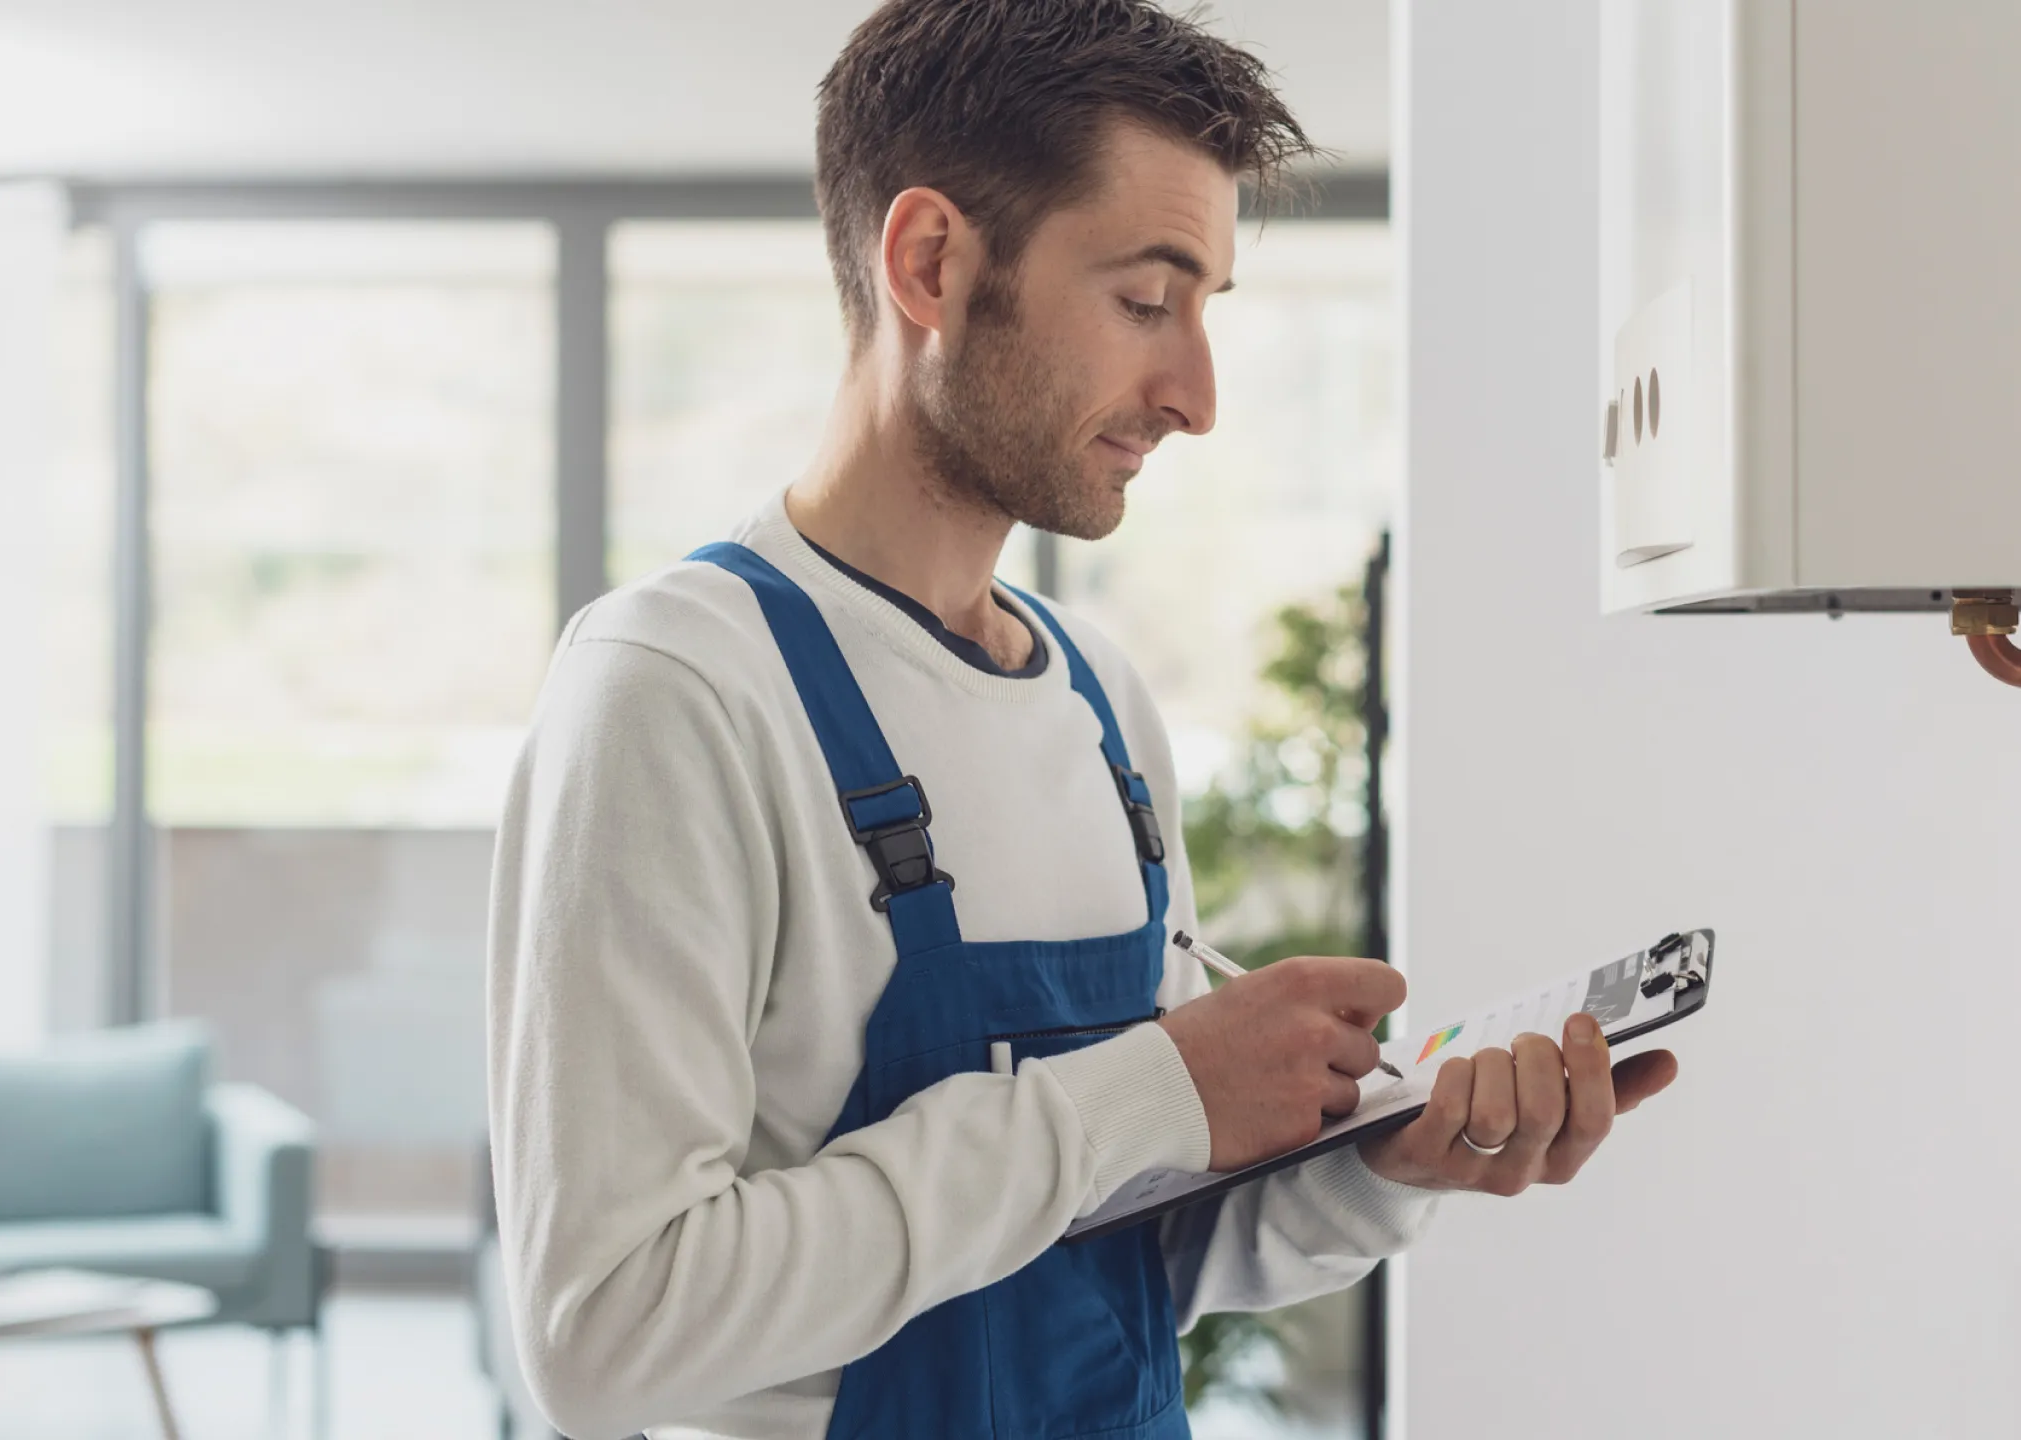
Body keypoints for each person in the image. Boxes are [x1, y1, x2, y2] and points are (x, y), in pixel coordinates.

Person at [484, 2, 1679, 1437]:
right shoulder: (674, 691)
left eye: (1205, 310)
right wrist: (1139, 1094)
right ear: (931, 261)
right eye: (1143, 300)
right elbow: (605, 1332)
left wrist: (1382, 1161)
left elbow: (1121, 1252)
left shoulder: (1101, 703)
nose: (1196, 396)